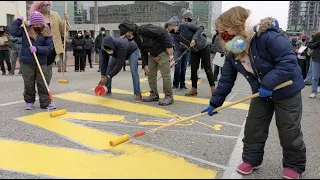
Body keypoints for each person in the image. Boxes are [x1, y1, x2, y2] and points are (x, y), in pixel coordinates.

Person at [201, 7, 306, 179]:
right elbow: (227, 78)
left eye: (224, 30)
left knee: (289, 129)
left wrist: (268, 83)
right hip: (262, 93)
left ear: (237, 25)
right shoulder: (234, 47)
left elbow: (288, 62)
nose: (222, 34)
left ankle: (294, 165)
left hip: (286, 90)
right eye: (220, 32)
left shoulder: (268, 37)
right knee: (254, 127)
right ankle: (251, 159)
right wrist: (215, 102)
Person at [118, 20, 175, 106]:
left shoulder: (144, 29)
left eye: (126, 33)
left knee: (165, 75)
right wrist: (145, 64)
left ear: (130, 30)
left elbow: (163, 32)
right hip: (152, 55)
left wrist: (169, 46)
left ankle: (169, 96)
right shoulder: (136, 37)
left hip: (162, 52)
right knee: (150, 74)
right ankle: (154, 94)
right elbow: (143, 50)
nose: (126, 35)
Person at [10, 11, 55, 110]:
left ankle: (45, 102)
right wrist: (18, 21)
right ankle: (29, 101)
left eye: (39, 24)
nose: (38, 26)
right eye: (35, 24)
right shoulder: (25, 30)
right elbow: (13, 31)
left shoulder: (47, 32)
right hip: (27, 62)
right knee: (28, 83)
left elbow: (49, 48)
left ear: (42, 23)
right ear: (32, 23)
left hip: (41, 62)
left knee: (43, 83)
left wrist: (37, 49)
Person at [166, 16, 216, 96]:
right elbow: (178, 50)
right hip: (193, 50)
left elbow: (199, 29)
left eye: (170, 28)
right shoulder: (175, 36)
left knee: (207, 68)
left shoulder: (185, 25)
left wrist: (194, 39)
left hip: (203, 46)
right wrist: (174, 60)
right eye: (168, 29)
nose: (169, 30)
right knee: (193, 69)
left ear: (175, 25)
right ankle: (194, 89)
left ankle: (213, 89)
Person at [29, 1, 70, 83]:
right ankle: (42, 86)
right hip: (40, 46)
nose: (46, 6)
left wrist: (65, 21)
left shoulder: (55, 15)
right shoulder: (36, 15)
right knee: (41, 69)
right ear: (39, 6)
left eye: (48, 5)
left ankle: (45, 86)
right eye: (44, 5)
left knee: (48, 70)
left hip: (52, 46)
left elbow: (62, 30)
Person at [98, 36, 142, 102]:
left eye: (110, 49)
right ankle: (107, 89)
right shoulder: (104, 48)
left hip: (132, 51)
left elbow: (119, 66)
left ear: (112, 46)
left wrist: (107, 77)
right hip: (116, 53)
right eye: (107, 50)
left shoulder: (121, 46)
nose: (108, 51)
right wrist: (103, 75)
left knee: (133, 70)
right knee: (109, 68)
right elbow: (104, 62)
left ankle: (138, 93)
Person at [166, 23, 189, 90]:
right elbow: (172, 40)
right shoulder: (172, 32)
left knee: (184, 68)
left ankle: (182, 84)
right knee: (177, 68)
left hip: (186, 50)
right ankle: (175, 85)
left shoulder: (185, 30)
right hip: (177, 51)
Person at [307, 31, 320, 98]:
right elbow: (310, 45)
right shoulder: (317, 35)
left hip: (316, 57)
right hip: (317, 58)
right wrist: (317, 43)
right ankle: (313, 92)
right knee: (315, 76)